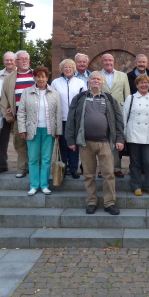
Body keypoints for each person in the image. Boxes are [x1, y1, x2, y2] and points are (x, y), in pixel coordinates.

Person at [66, 72, 125, 215]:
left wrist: (120, 139)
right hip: (85, 144)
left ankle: (109, 203)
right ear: (88, 81)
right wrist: (71, 140)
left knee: (108, 174)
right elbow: (71, 119)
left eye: (99, 79)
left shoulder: (110, 99)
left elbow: (118, 120)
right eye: (93, 78)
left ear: (102, 82)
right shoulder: (80, 98)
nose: (96, 81)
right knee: (88, 174)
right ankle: (91, 202)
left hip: (105, 143)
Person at [17, 66, 63, 195]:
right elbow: (21, 112)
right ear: (34, 78)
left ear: (47, 78)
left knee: (47, 158)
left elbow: (58, 113)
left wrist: (58, 131)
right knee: (33, 158)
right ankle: (33, 185)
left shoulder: (54, 93)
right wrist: (22, 129)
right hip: (32, 130)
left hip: (49, 130)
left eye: (43, 76)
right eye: (38, 76)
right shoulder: (26, 92)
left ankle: (44, 185)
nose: (41, 79)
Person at [123, 74, 149, 196]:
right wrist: (123, 136)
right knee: (134, 162)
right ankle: (136, 185)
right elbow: (124, 118)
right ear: (136, 85)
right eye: (141, 83)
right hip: (133, 134)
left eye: (146, 83)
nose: (144, 85)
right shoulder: (131, 98)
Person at [0, 50, 35, 178]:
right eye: (21, 59)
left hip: (35, 117)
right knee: (20, 144)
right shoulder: (9, 78)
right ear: (16, 62)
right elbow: (4, 98)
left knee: (35, 143)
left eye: (26, 58)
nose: (25, 61)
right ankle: (22, 168)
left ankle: (34, 168)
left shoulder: (36, 75)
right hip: (18, 118)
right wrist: (8, 115)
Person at [51, 59, 87, 179]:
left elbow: (84, 101)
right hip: (61, 118)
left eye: (70, 67)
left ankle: (73, 168)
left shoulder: (80, 82)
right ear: (61, 69)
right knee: (62, 144)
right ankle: (63, 167)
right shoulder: (56, 82)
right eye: (65, 67)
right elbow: (52, 100)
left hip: (74, 119)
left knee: (74, 144)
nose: (67, 69)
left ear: (74, 69)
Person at [100, 53, 130, 177]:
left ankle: (117, 167)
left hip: (119, 110)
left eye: (110, 60)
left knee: (117, 138)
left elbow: (127, 94)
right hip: (101, 111)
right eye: (105, 60)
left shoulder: (123, 76)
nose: (108, 62)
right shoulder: (96, 75)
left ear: (114, 62)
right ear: (102, 62)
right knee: (103, 140)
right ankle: (103, 169)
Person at [0, 51, 16, 174]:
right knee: (2, 139)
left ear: (15, 61)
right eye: (7, 60)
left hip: (19, 111)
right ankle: (2, 164)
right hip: (2, 110)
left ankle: (25, 165)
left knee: (22, 140)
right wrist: (6, 107)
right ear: (3, 61)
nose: (9, 62)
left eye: (11, 60)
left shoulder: (23, 74)